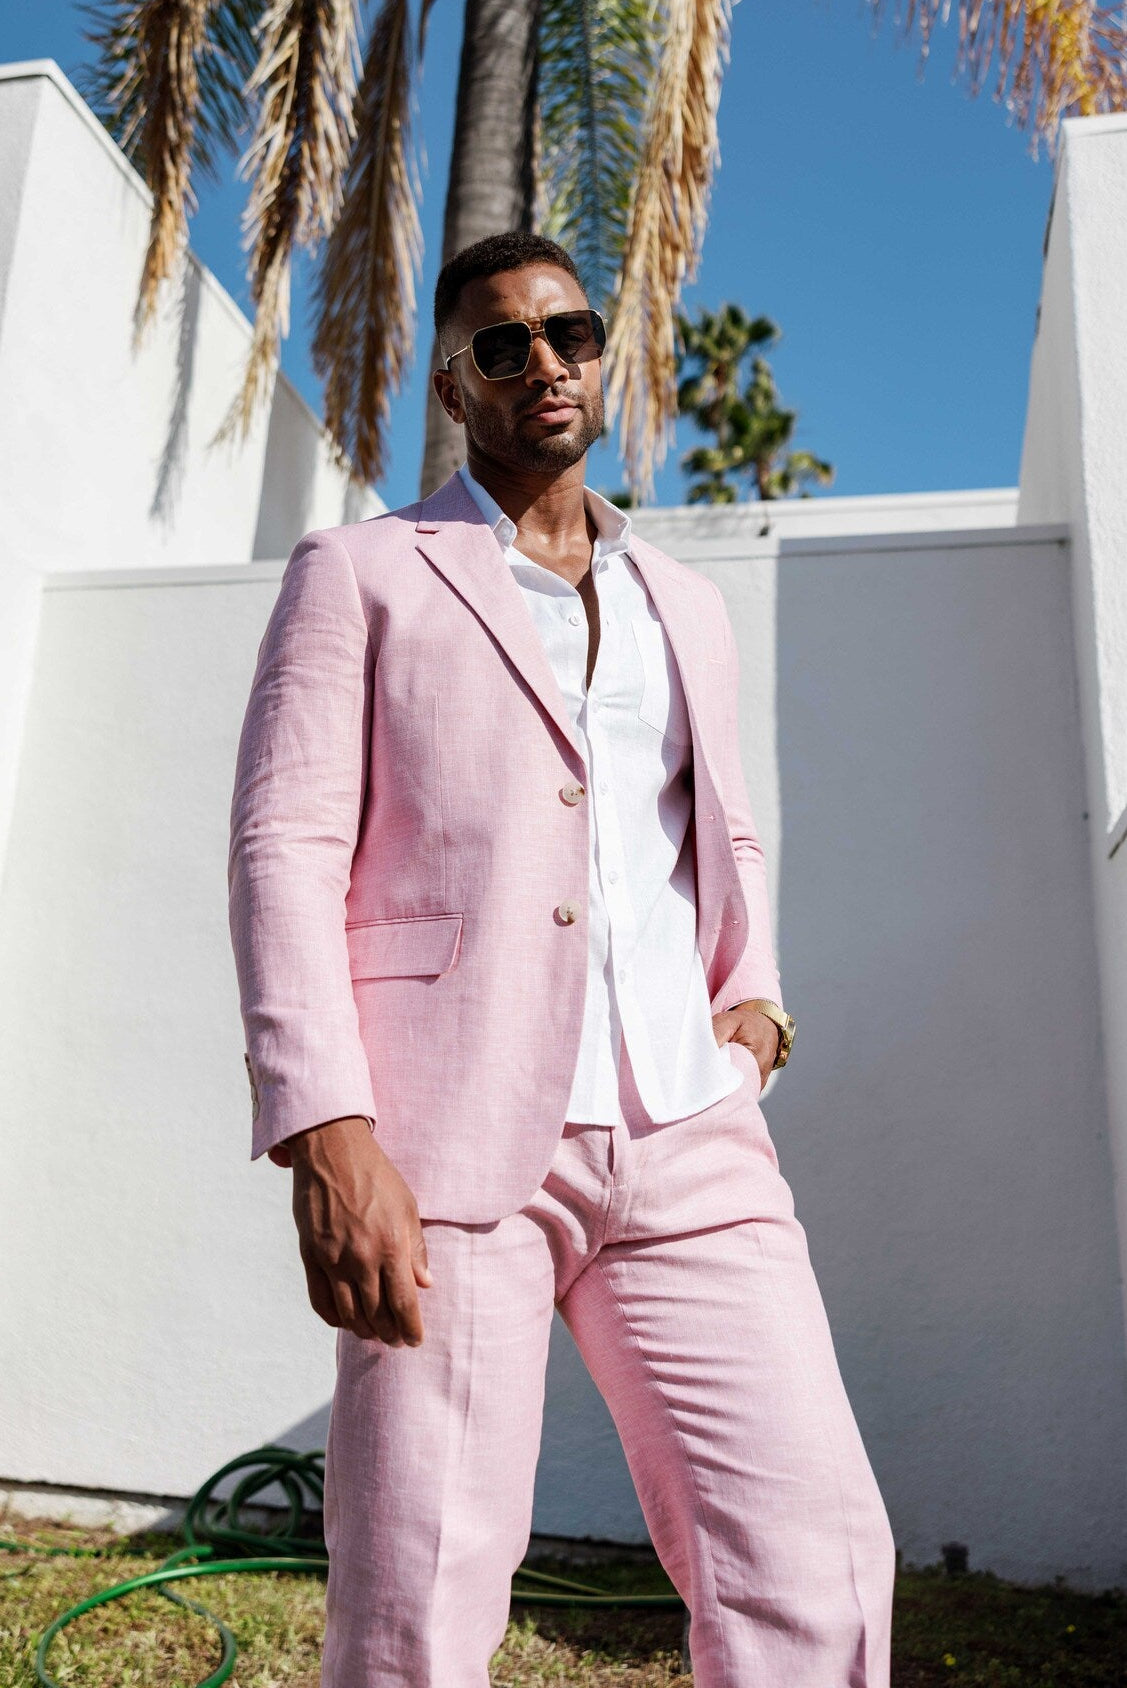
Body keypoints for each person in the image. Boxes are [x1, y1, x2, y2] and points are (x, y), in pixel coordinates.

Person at [227, 230, 896, 1687]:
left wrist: (754, 1004)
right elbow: (282, 846)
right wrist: (327, 1130)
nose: (545, 362)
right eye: (501, 344)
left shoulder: (686, 605)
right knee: (421, 1592)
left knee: (819, 1554)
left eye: (569, 333)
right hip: (450, 1145)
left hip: (690, 1133)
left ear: (603, 354)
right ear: (456, 387)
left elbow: (724, 828)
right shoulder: (365, 573)